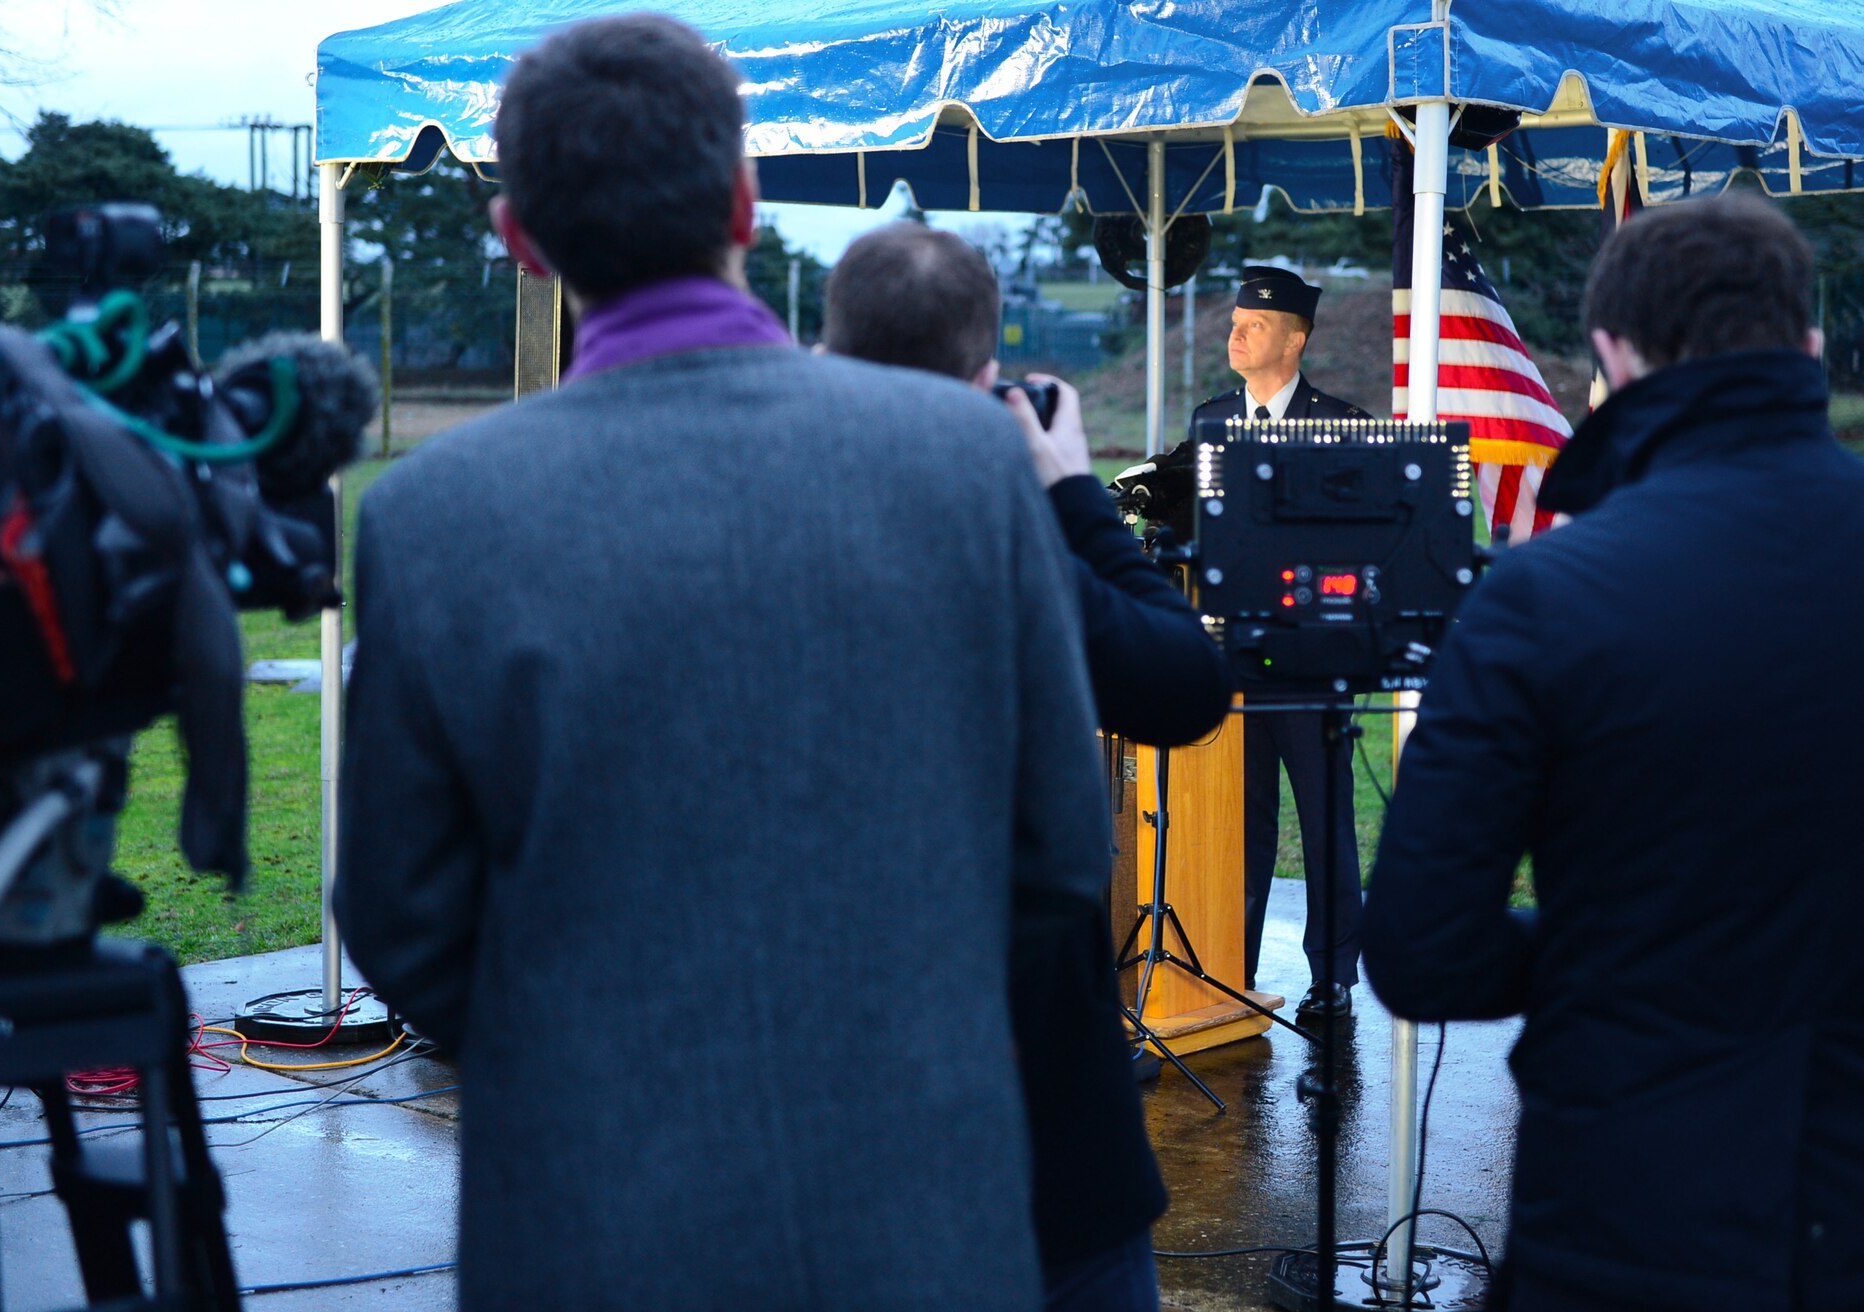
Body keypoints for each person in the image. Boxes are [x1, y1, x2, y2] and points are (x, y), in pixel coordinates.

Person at [334, 18, 1110, 1310]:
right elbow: (1059, 853)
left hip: (594, 1217)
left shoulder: (434, 514)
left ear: (517, 236)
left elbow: (405, 916)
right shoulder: (962, 458)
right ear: (745, 203)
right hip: (922, 1203)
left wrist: (584, 1052)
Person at [1361, 195, 1864, 1311]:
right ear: (1810, 347)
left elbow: (1417, 950)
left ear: (1606, 356)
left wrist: (1625, 952)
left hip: (1624, 1207)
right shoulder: (1543, 597)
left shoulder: (1541, 596)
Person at [823, 222, 1232, 1312]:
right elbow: (1186, 684)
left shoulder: (749, 525)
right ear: (986, 370)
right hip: (1034, 1110)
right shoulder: (1009, 549)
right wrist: (1070, 492)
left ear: (827, 349)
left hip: (816, 1113)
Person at [1123, 266, 1371, 1018]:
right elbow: (1189, 533)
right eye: (1234, 321)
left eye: (1254, 324)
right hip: (1228, 654)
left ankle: (1332, 978)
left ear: (1295, 339)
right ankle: (1232, 964)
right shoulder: (1209, 422)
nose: (1235, 333)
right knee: (1238, 819)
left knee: (1325, 815)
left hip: (1313, 656)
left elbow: (1359, 545)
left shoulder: (1342, 425)